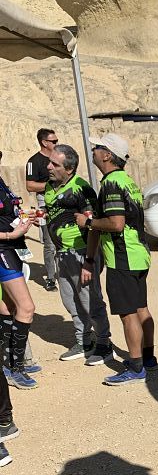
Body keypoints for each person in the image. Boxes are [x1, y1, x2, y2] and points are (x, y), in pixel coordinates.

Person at [77, 133, 155, 386]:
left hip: (123, 256)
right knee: (141, 307)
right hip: (138, 254)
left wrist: (87, 221)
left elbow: (115, 223)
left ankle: (135, 367)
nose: (94, 151)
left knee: (127, 313)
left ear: (108, 155)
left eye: (97, 148)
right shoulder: (126, 180)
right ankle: (147, 357)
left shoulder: (111, 183)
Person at [44, 144, 112, 364]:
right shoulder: (49, 186)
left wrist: (89, 262)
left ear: (69, 169)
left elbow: (93, 226)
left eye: (55, 164)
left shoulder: (81, 188)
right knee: (70, 299)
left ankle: (104, 343)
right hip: (62, 253)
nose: (49, 166)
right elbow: (55, 212)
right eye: (50, 162)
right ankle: (84, 341)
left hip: (81, 252)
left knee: (90, 299)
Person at [0, 168, 37, 390]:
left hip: (13, 248)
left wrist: (23, 218)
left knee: (8, 307)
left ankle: (8, 364)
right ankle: (16, 367)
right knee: (27, 308)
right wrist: (9, 235)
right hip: (3, 249)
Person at [25, 127, 59, 290]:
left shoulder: (59, 157)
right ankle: (51, 278)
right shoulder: (33, 161)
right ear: (44, 142)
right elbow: (30, 186)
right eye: (53, 141)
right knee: (49, 243)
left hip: (62, 203)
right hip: (44, 204)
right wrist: (51, 186)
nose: (56, 143)